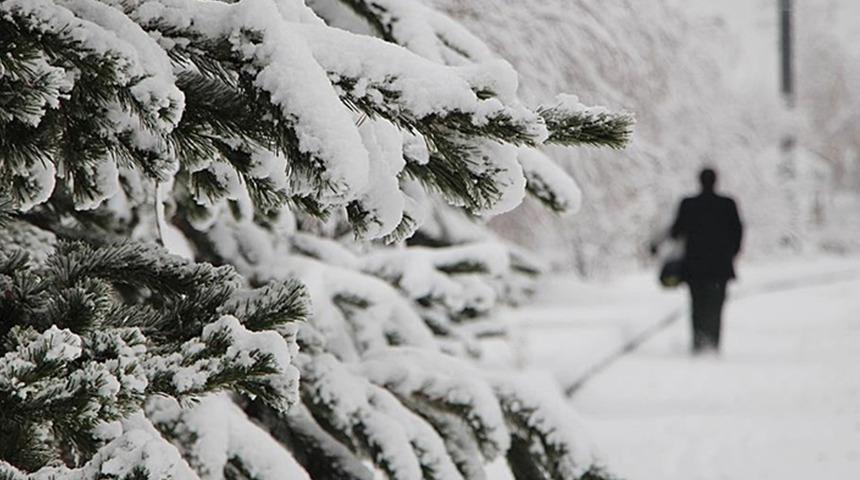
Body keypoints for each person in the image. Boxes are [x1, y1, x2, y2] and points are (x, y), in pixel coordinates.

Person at [655, 168, 743, 353]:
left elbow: (676, 231)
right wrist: (730, 254)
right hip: (720, 267)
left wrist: (658, 245)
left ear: (699, 181)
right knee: (716, 306)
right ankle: (713, 344)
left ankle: (698, 342)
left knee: (697, 305)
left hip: (695, 267)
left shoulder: (689, 204)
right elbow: (737, 232)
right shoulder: (727, 204)